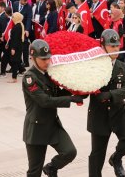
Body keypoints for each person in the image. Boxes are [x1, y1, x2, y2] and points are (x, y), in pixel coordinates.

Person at [22, 40, 84, 177]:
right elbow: (44, 101)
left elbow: (57, 93)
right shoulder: (29, 78)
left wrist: (78, 91)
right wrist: (71, 99)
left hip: (52, 124)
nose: (47, 61)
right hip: (36, 128)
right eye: (43, 59)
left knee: (69, 152)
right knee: (34, 171)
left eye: (48, 58)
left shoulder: (49, 73)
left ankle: (51, 167)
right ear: (33, 58)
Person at [88, 29, 125, 177]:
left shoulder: (124, 67)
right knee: (97, 154)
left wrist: (109, 94)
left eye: (117, 46)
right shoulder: (92, 66)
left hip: (118, 112)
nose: (116, 49)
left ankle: (116, 158)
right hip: (99, 115)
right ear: (103, 47)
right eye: (112, 46)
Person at [7, 12, 25, 83]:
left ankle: (14, 78)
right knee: (16, 61)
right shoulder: (19, 25)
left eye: (13, 17)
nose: (12, 18)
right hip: (18, 46)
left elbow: (16, 38)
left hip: (16, 47)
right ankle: (21, 69)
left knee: (14, 62)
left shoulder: (17, 26)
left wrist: (13, 48)